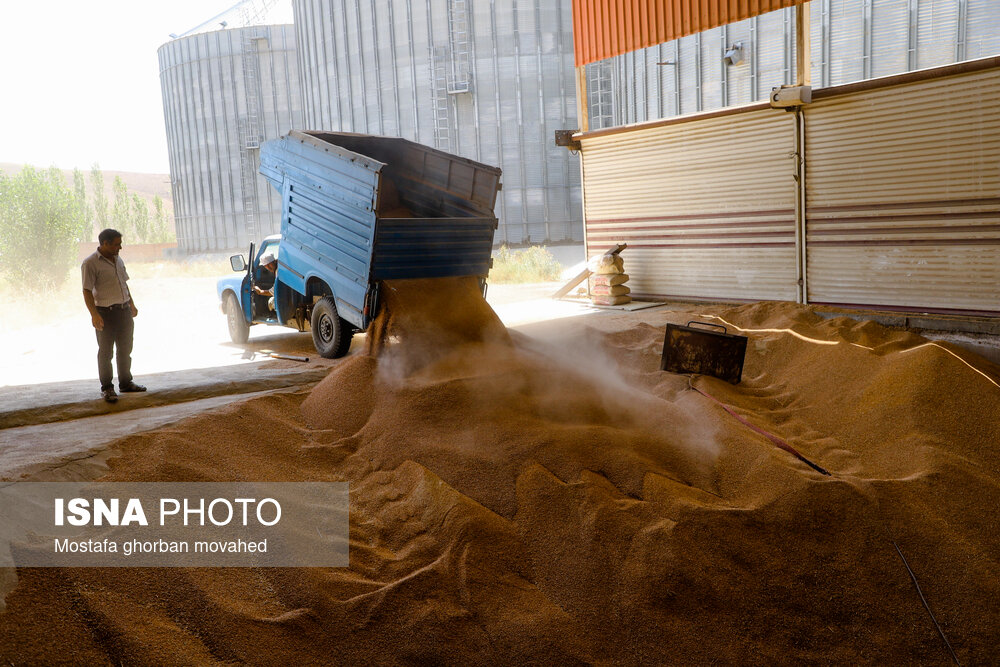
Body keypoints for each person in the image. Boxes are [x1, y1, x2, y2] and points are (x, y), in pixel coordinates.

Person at [82, 228, 146, 403]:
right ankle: (107, 388)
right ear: (105, 244)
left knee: (125, 349)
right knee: (105, 352)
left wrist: (131, 304)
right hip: (105, 313)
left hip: (124, 311)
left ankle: (126, 383)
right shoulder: (90, 263)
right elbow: (86, 291)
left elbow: (124, 284)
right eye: (117, 244)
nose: (120, 248)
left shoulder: (118, 259)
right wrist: (94, 314)